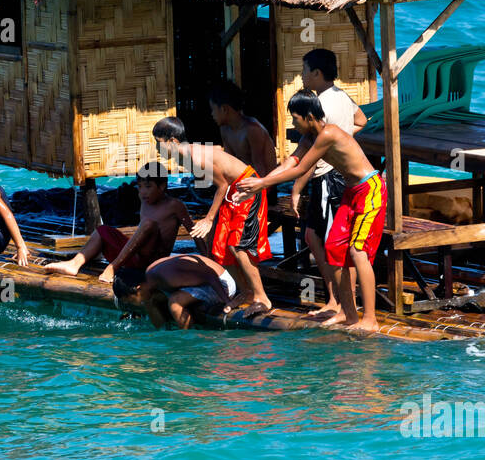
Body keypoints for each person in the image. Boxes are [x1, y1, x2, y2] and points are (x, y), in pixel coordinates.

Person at [237, 90, 385, 331]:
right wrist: (258, 185)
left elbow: (300, 169)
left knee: (357, 252)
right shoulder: (309, 138)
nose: (293, 124)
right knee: (334, 248)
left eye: (295, 118)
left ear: (308, 116)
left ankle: (370, 319)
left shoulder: (328, 134)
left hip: (369, 190)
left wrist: (261, 184)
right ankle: (348, 314)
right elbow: (289, 163)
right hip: (351, 193)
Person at [151, 116, 272, 315]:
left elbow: (222, 184)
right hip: (233, 191)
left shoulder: (194, 157)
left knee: (238, 245)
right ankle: (247, 293)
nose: (157, 149)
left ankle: (262, 298)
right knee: (221, 246)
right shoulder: (185, 156)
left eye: (159, 143)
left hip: (248, 187)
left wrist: (208, 219)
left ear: (172, 142)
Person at [294, 48, 369, 317]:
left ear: (316, 73)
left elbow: (312, 154)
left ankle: (340, 302)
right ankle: (335, 299)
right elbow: (362, 120)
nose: (301, 76)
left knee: (331, 242)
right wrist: (346, 136)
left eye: (304, 70)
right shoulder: (341, 96)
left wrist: (296, 188)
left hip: (329, 177)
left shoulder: (322, 104)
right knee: (313, 236)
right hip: (332, 175)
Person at [45, 162, 193, 283]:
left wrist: (207, 258)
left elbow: (194, 232)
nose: (142, 192)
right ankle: (74, 264)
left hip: (154, 263)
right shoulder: (145, 201)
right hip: (134, 259)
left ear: (162, 186)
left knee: (149, 224)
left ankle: (112, 267)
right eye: (140, 187)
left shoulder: (175, 205)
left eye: (148, 187)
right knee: (102, 230)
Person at [139, 254, 237, 329]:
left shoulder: (168, 276)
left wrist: (227, 302)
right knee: (151, 301)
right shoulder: (151, 274)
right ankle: (164, 332)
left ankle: (188, 340)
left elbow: (210, 275)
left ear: (138, 288)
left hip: (223, 284)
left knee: (175, 301)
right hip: (204, 282)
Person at [209, 79, 276, 178]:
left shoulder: (252, 129)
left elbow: (261, 169)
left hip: (264, 183)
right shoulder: (225, 130)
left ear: (224, 109)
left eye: (213, 109)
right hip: (244, 181)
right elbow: (228, 164)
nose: (212, 114)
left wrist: (252, 191)